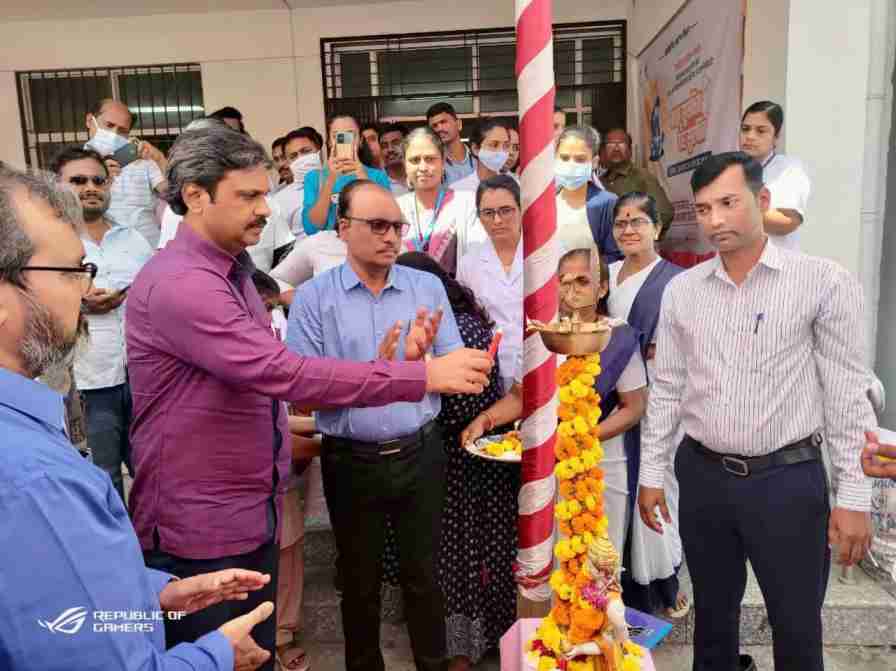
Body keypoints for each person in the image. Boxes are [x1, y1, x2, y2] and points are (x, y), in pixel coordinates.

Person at [126, 124, 494, 670]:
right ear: (196, 196)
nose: (263, 209)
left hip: (252, 506)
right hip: (202, 524)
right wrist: (414, 377)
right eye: (248, 196)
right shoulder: (185, 284)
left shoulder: (233, 277)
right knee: (219, 655)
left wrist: (302, 424)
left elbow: (252, 391)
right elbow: (286, 374)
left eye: (260, 194)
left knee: (250, 653)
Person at [0, 164, 276, 671]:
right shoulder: (33, 480)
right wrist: (216, 654)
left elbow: (48, 609)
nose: (86, 293)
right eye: (69, 272)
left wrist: (151, 595)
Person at [638, 151, 875, 671]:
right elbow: (669, 389)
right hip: (703, 478)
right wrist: (652, 472)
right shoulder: (682, 292)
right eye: (703, 209)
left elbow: (846, 397)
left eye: (728, 203)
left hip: (787, 482)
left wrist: (855, 496)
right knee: (713, 622)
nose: (715, 220)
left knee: (796, 626)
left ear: (762, 200)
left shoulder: (823, 282)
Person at [288, 180, 466, 671]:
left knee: (424, 577)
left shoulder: (426, 287)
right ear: (343, 229)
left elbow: (454, 370)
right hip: (350, 459)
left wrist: (417, 360)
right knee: (359, 582)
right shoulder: (313, 298)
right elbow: (302, 390)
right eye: (378, 225)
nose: (391, 237)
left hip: (420, 452)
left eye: (397, 226)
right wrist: (379, 370)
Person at [395, 252, 521, 671]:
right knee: (465, 556)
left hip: (462, 457)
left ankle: (464, 651)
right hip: (456, 458)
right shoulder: (442, 325)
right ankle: (478, 642)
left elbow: (463, 401)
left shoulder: (461, 329)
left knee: (461, 559)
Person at [51, 146, 153, 502]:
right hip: (88, 383)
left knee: (150, 473)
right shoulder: (47, 244)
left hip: (142, 377)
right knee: (101, 478)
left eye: (98, 180)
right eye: (78, 180)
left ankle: (154, 553)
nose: (90, 187)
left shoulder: (134, 239)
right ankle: (112, 555)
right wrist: (77, 304)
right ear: (56, 185)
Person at [606, 192, 688, 618]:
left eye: (638, 221)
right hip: (615, 397)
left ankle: (663, 578)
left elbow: (690, 339)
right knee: (625, 488)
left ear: (657, 228)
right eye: (621, 222)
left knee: (657, 484)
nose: (628, 230)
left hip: (659, 395)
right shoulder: (606, 275)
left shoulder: (674, 279)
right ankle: (626, 579)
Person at [557, 246, 647, 559]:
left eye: (582, 281)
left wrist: (582, 439)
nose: (572, 290)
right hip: (552, 463)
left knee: (602, 563)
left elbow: (634, 408)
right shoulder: (546, 334)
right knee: (559, 559)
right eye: (564, 281)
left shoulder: (618, 336)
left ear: (602, 288)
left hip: (604, 461)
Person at [457, 175, 522, 395]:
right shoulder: (468, 263)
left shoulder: (547, 253)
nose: (497, 220)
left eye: (506, 210)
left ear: (521, 209)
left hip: (541, 363)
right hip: (492, 370)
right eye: (488, 213)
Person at [397, 126, 485, 275]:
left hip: (453, 295)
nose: (423, 167)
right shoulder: (394, 208)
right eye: (414, 160)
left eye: (430, 159)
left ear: (443, 161)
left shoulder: (466, 204)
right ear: (405, 165)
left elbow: (476, 261)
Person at [85, 98, 168, 248]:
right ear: (90, 121)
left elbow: (172, 194)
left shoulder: (143, 158)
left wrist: (160, 159)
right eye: (109, 125)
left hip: (148, 249)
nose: (114, 133)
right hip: (103, 250)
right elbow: (68, 209)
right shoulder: (74, 163)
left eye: (122, 130)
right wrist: (99, 179)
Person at [739, 100, 811, 251]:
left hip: (778, 268)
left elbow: (787, 222)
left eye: (760, 131)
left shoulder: (789, 169)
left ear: (776, 136)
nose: (750, 136)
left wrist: (737, 213)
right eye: (745, 129)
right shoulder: (733, 169)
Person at [302, 115, 391, 236]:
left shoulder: (377, 176)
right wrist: (330, 180)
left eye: (350, 135)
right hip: (329, 249)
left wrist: (362, 176)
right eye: (337, 136)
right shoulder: (314, 177)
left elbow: (386, 218)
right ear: (329, 142)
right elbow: (312, 228)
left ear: (360, 141)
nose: (343, 140)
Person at [554, 127, 621, 261]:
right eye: (564, 158)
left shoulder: (607, 203)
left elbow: (615, 256)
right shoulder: (546, 204)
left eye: (580, 159)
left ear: (594, 162)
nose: (571, 165)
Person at [599, 128, 674, 238]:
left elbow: (664, 213)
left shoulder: (641, 177)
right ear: (604, 151)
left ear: (630, 150)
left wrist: (640, 236)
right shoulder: (600, 182)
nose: (616, 148)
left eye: (621, 144)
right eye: (610, 144)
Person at [274, 127, 324, 236]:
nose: (301, 158)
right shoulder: (279, 201)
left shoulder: (339, 184)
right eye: (293, 156)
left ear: (319, 152)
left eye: (306, 151)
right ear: (288, 162)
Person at [450, 118, 513, 193]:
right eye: (494, 145)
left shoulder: (514, 186)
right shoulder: (458, 190)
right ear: (475, 148)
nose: (501, 151)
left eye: (506, 146)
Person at [427, 102, 476, 185]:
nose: (439, 128)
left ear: (459, 124)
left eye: (443, 122)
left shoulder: (479, 157)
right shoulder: (431, 165)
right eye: (434, 126)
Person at [381, 122, 410, 196]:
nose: (390, 149)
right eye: (384, 146)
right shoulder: (378, 183)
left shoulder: (421, 174)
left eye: (395, 143)